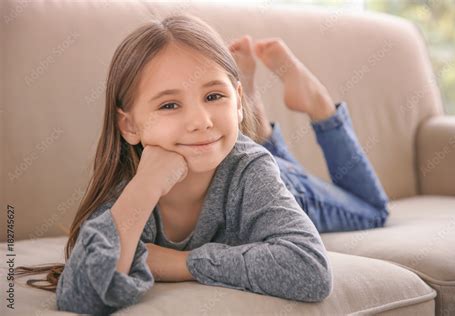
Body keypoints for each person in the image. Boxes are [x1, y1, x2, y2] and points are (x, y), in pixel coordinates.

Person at [14, 14, 337, 315]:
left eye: (214, 96)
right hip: (258, 162)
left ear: (237, 102)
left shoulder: (250, 168)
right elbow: (79, 295)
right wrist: (144, 188)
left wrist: (179, 263)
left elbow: (310, 269)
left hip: (301, 193)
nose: (200, 121)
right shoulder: (131, 180)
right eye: (169, 105)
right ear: (129, 126)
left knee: (371, 208)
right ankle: (266, 123)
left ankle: (322, 111)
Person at [228, 35, 390, 233]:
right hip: (264, 182)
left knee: (271, 168)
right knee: (376, 211)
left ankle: (257, 116)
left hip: (256, 171)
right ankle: (317, 106)